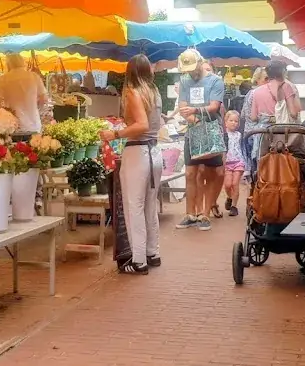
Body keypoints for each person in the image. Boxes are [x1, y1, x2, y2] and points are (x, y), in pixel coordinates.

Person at [99, 54, 162, 275]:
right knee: (150, 206)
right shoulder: (154, 92)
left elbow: (141, 125)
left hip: (137, 151)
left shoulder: (133, 92)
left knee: (134, 206)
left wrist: (115, 134)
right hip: (154, 151)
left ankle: (138, 260)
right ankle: (153, 253)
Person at [174, 49, 226, 231]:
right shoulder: (184, 81)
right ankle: (190, 213)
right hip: (192, 131)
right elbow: (182, 106)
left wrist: (195, 111)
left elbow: (214, 106)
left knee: (211, 173)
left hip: (210, 131)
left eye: (192, 68)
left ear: (200, 63)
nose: (190, 72)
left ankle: (205, 213)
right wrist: (194, 121)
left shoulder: (215, 81)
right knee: (190, 173)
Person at [0, 53, 49, 133]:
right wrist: (34, 109)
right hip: (33, 124)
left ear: (8, 63)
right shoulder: (34, 76)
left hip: (11, 126)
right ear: (22, 61)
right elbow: (44, 99)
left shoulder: (2, 79)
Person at [222, 110, 245, 217]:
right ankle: (230, 197)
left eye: (236, 121)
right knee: (227, 185)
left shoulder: (239, 135)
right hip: (227, 163)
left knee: (235, 184)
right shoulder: (223, 135)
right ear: (226, 122)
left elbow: (243, 149)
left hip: (238, 162)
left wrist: (246, 163)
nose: (233, 123)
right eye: (231, 120)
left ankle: (234, 207)